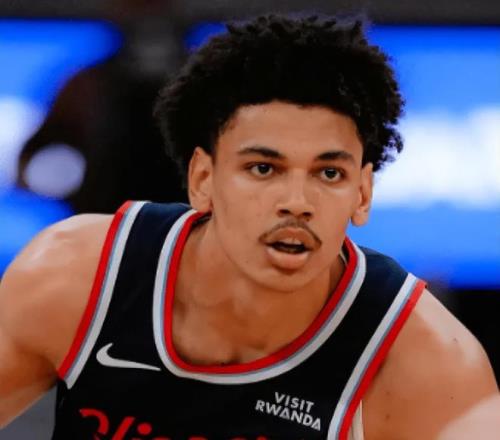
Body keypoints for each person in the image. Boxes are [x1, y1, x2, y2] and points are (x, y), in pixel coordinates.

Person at [0, 14, 498, 440]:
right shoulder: (74, 277)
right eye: (263, 168)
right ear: (202, 180)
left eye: (329, 173)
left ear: (363, 194)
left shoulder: (431, 368)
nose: (297, 203)